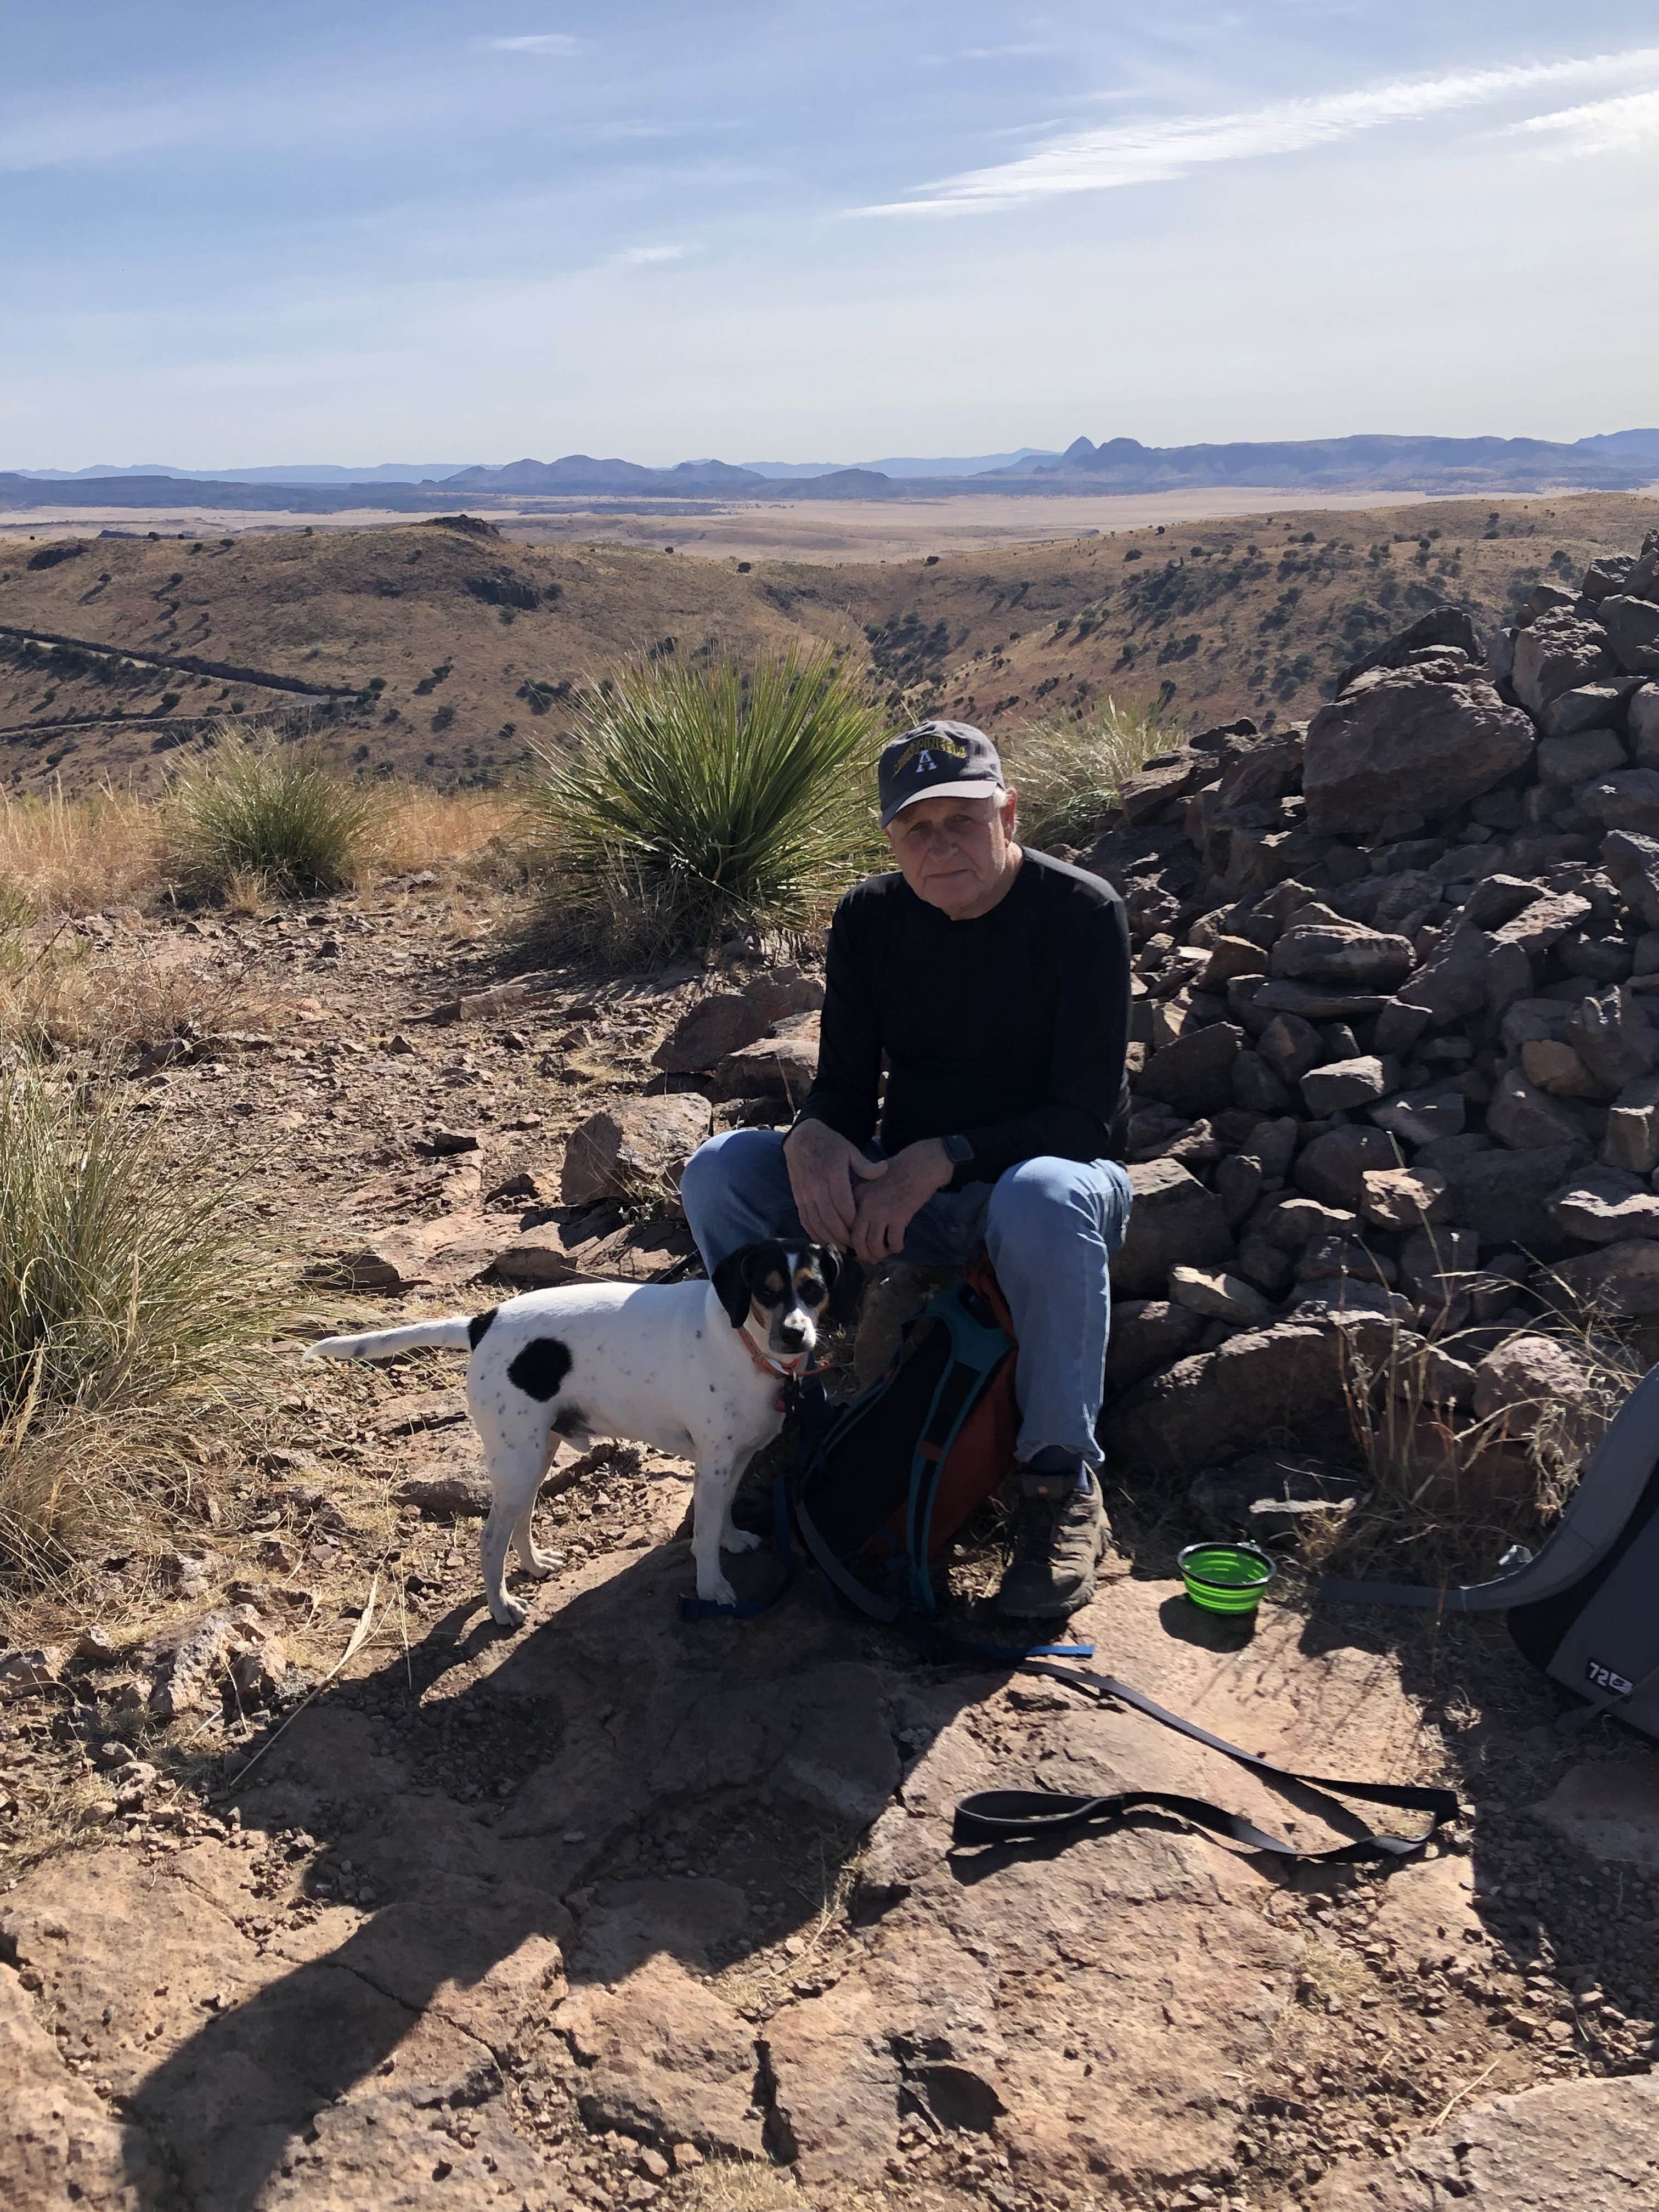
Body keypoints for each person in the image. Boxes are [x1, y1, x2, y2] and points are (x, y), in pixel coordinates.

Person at [680, 719, 1133, 1617]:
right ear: (892, 840)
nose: (941, 846)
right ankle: (786, 1413)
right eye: (916, 829)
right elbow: (847, 1093)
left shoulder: (1082, 915)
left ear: (1009, 813)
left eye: (961, 819)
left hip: (1045, 1189)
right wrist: (813, 1135)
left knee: (1044, 1193)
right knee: (721, 1174)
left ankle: (1061, 1483)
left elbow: (1084, 1118)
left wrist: (945, 1157)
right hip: (905, 1189)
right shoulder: (872, 918)